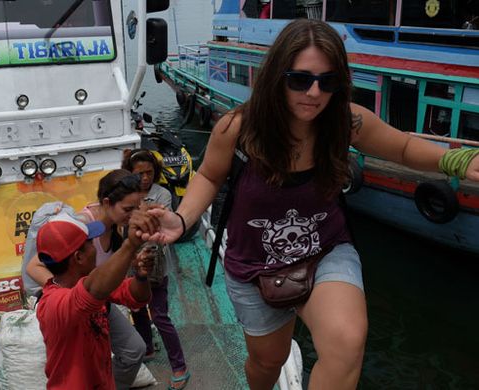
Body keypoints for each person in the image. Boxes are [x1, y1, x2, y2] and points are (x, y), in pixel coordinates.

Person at [143, 19, 479, 390]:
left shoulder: (345, 123)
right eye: (300, 79)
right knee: (267, 361)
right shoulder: (239, 128)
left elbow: (400, 146)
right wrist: (181, 218)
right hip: (255, 263)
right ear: (277, 77)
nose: (315, 93)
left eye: (327, 81)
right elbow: (208, 176)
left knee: (346, 341)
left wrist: (456, 162)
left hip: (325, 250)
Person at [26, 169, 147, 389]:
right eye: (90, 244)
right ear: (79, 257)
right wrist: (131, 246)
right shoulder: (57, 304)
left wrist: (141, 274)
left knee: (133, 349)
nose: (95, 246)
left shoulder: (93, 284)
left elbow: (135, 296)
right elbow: (87, 290)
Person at [121, 149, 190, 390]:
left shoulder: (162, 195)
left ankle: (179, 366)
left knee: (160, 316)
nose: (146, 178)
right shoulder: (126, 195)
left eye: (150, 173)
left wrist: (135, 208)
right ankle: (147, 347)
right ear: (130, 174)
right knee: (138, 310)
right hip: (132, 264)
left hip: (157, 264)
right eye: (140, 174)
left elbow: (153, 225)